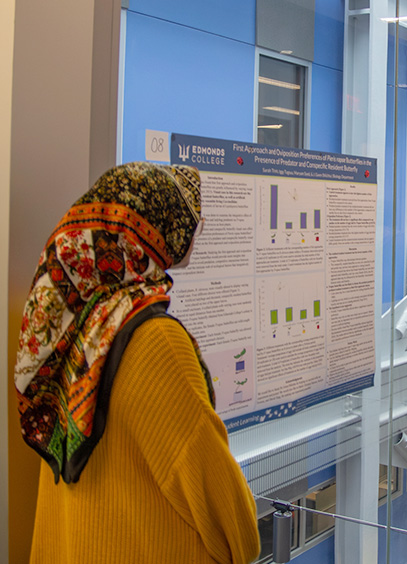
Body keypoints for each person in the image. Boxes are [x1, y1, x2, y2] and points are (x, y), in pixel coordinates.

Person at [14, 162, 260, 563]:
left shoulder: (82, 325)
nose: (195, 230)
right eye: (188, 219)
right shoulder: (155, 340)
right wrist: (247, 535)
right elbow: (226, 515)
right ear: (162, 229)